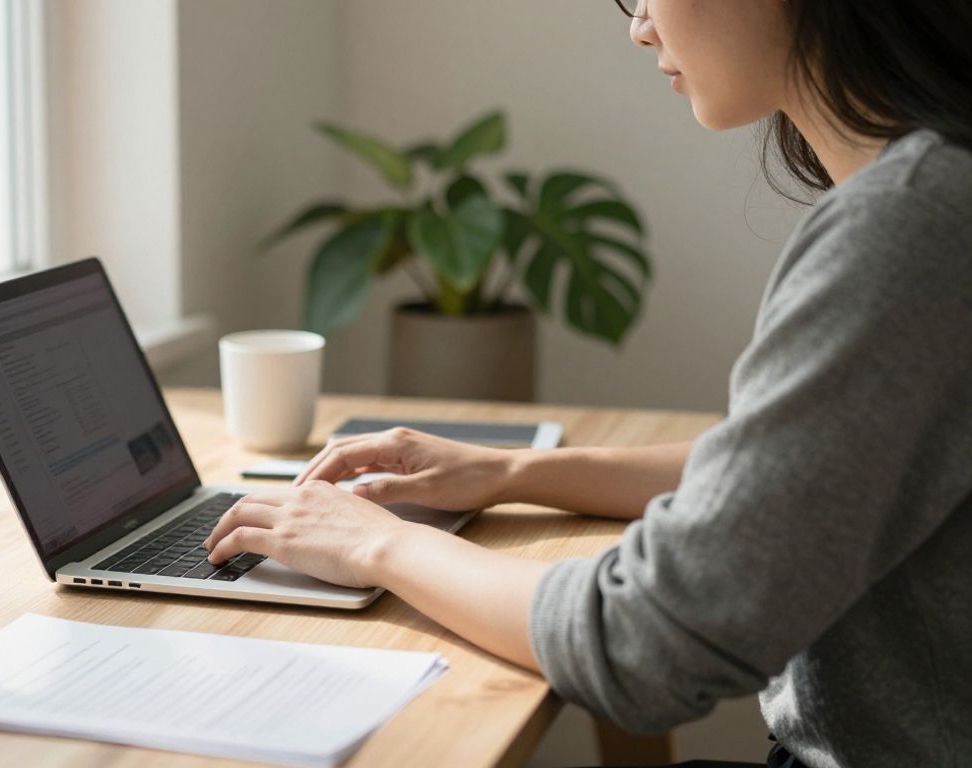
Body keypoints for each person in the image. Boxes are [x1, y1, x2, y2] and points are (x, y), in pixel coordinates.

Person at [204, 1, 972, 766]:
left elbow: (644, 642)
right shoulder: (934, 190)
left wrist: (376, 544)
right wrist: (511, 472)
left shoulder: (913, 228)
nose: (639, 25)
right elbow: (807, 468)